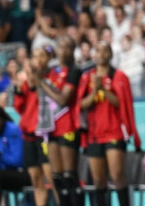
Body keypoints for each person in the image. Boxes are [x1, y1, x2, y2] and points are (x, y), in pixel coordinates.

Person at [75, 41, 140, 206]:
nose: (101, 54)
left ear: (110, 55)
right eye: (98, 51)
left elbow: (122, 103)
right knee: (98, 180)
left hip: (114, 133)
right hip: (94, 135)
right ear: (94, 54)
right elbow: (81, 105)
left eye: (105, 51)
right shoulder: (86, 77)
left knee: (117, 176)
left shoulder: (119, 77)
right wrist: (95, 90)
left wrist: (103, 89)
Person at [38, 36, 83, 206]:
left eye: (67, 47)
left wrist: (42, 84)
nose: (62, 51)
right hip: (52, 126)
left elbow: (63, 99)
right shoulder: (52, 71)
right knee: (57, 177)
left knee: (69, 175)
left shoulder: (74, 71)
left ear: (72, 51)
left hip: (68, 126)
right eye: (60, 47)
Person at [13, 46, 55, 206]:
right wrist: (19, 87)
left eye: (40, 56)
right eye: (34, 56)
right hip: (28, 136)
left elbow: (46, 103)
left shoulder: (49, 79)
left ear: (47, 59)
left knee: (52, 179)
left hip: (44, 136)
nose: (36, 59)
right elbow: (20, 108)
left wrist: (35, 84)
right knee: (36, 180)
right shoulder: (25, 82)